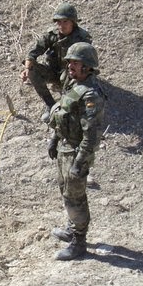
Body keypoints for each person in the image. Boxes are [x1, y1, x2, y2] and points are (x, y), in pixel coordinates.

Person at [47, 42, 105, 260]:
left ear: (87, 66)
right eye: (70, 61)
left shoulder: (91, 95)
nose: (70, 66)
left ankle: (79, 242)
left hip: (76, 152)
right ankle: (72, 229)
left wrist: (80, 162)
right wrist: (54, 139)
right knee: (66, 191)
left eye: (76, 62)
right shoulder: (74, 85)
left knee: (75, 197)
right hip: (65, 147)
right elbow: (63, 114)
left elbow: (91, 135)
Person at [20, 3, 92, 122]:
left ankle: (65, 108)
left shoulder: (82, 38)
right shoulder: (52, 35)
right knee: (32, 69)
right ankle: (50, 105)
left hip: (74, 76)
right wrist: (28, 67)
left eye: (65, 21)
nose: (61, 25)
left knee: (72, 103)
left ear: (73, 22)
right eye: (59, 22)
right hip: (54, 72)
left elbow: (87, 65)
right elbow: (35, 51)